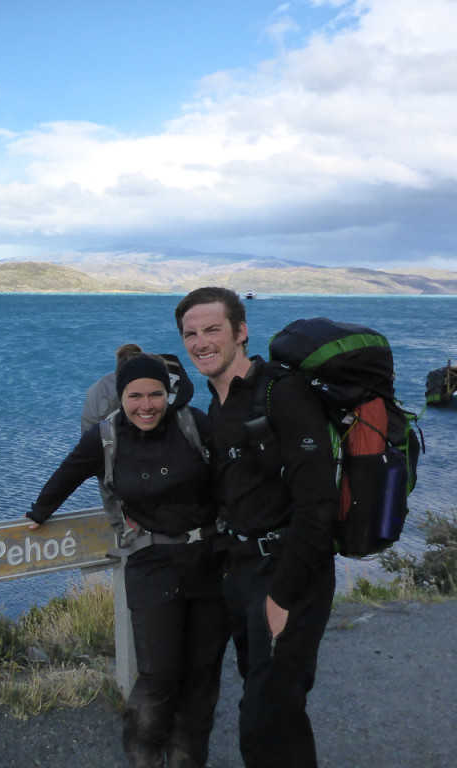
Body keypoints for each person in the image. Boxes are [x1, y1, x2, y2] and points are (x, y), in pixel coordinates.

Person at [27, 350, 228, 768]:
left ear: (168, 394)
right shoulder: (106, 437)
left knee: (202, 675)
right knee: (159, 675)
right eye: (135, 396)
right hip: (151, 562)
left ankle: (188, 760)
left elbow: (233, 474)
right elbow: (68, 473)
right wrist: (39, 512)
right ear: (121, 397)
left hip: (209, 559)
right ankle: (144, 757)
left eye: (155, 394)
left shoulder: (194, 425)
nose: (146, 405)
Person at [174, 287, 338, 768]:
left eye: (212, 330)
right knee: (270, 707)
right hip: (241, 570)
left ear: (241, 332)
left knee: (266, 720)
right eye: (191, 334)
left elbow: (317, 505)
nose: (201, 342)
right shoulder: (218, 402)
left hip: (290, 574)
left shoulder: (282, 394)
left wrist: (282, 596)